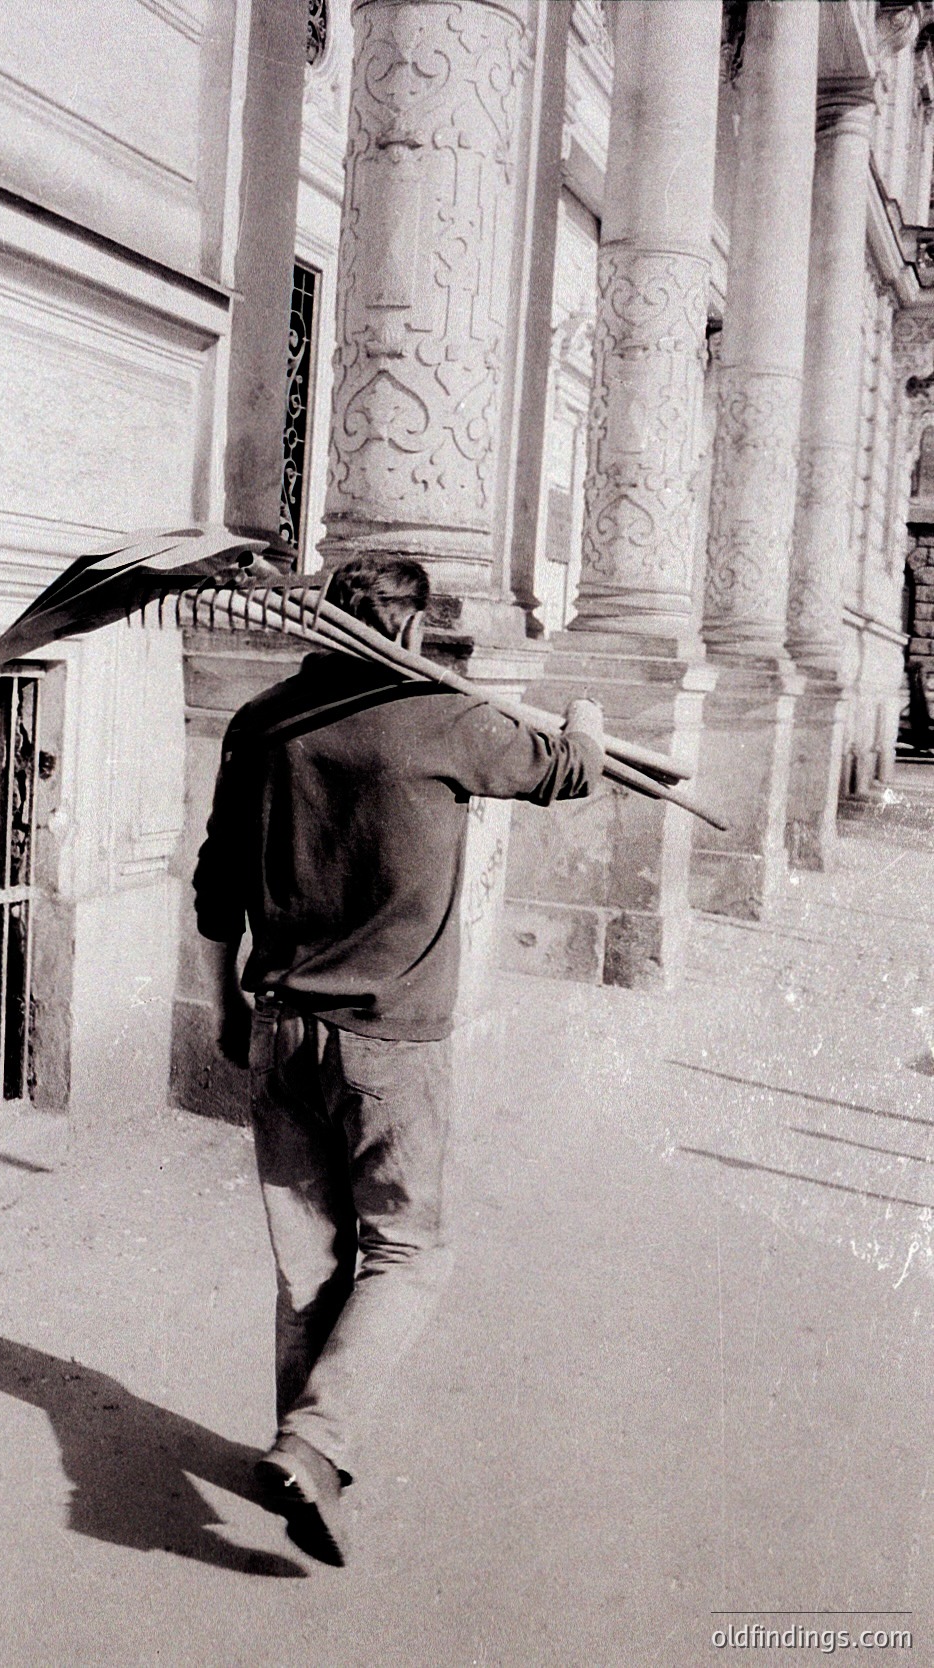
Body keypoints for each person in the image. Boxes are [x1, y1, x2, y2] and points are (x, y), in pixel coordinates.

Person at [192, 553, 604, 1566]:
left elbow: (214, 886)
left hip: (279, 1025)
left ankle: (307, 1460)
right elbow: (568, 770)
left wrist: (224, 1006)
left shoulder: (261, 722)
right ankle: (315, 1441)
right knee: (408, 1252)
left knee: (307, 1264)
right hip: (390, 1042)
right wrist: (586, 717)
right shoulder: (448, 720)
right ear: (413, 628)